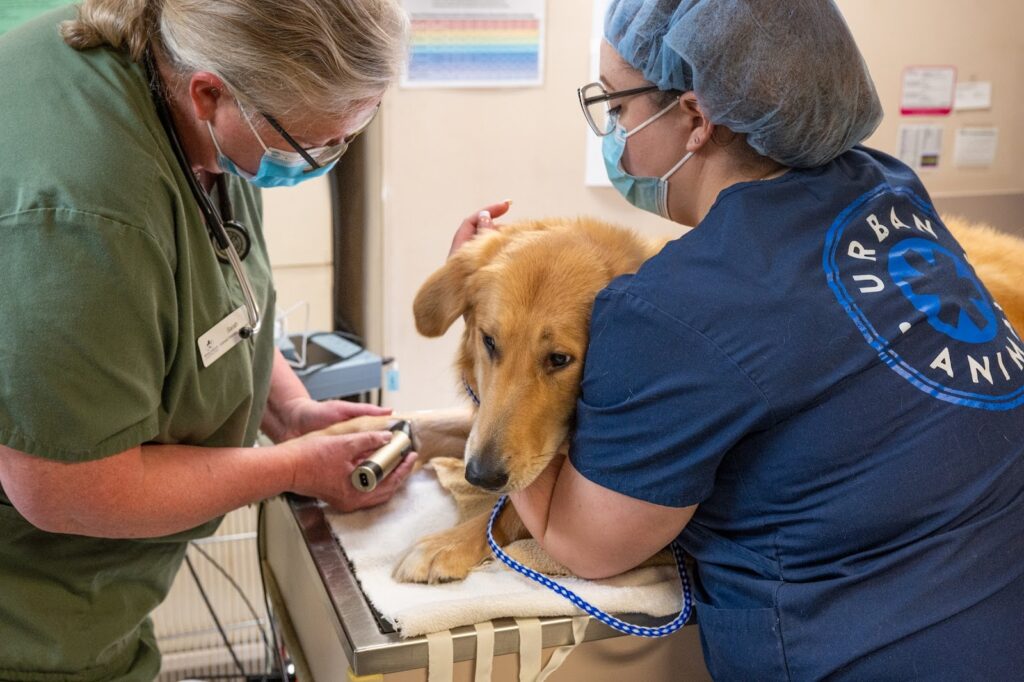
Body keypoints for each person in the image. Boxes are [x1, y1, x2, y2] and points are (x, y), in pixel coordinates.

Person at [496, 1, 1024, 679]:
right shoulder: (886, 185)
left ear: (692, 117)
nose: (614, 132)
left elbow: (586, 542)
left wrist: (491, 344)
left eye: (619, 107)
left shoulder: (671, 308)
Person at [0, 1, 424, 679]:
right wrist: (292, 468)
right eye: (315, 145)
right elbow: (63, 485)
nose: (323, 160)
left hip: (97, 609)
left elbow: (221, 296)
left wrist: (291, 413)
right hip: (24, 619)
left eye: (351, 134)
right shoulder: (85, 212)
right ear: (210, 95)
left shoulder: (205, 107)